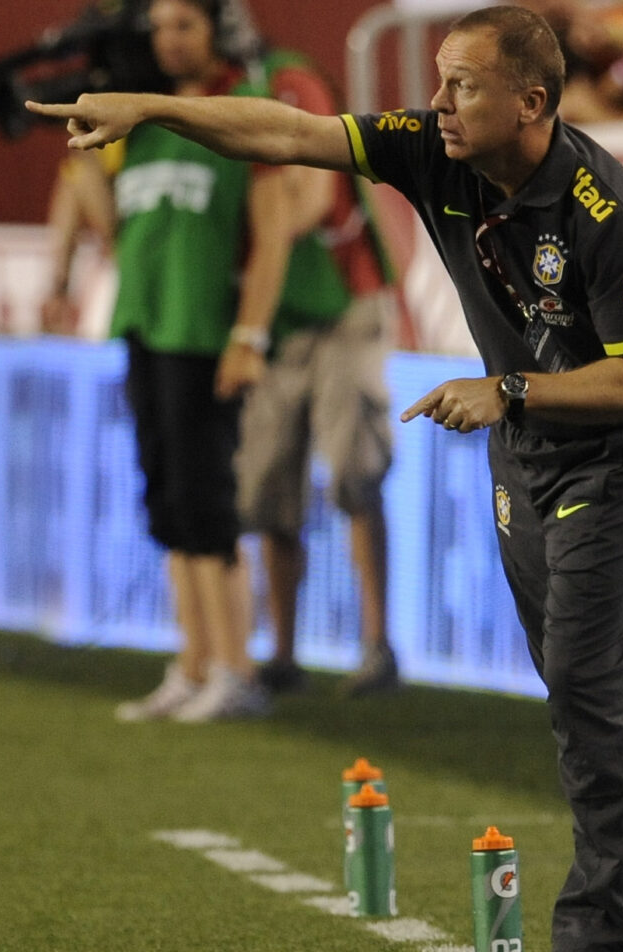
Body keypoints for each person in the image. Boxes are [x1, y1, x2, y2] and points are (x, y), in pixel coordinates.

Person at [29, 5, 623, 948]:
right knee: (579, 675)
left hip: (616, 456)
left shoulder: (608, 212)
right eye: (438, 77)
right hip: (524, 446)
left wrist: (508, 388)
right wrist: (153, 107)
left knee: (583, 677)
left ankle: (601, 928)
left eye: (461, 84)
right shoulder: (434, 150)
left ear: (532, 102)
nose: (435, 100)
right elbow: (289, 130)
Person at [44, 0, 307, 723]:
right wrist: (79, 148)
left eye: (184, 25)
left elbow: (274, 232)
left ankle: (238, 667)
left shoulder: (242, 112)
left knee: (208, 501)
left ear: (216, 31)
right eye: (160, 28)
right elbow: (111, 223)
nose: (170, 41)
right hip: (144, 319)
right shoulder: (140, 124)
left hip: (205, 330)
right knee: (167, 500)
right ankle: (193, 662)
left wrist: (249, 334)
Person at [233, 47, 400, 699]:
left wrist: (244, 234)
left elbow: (311, 193)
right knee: (270, 483)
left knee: (355, 473)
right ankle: (282, 652)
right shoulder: (206, 92)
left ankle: (378, 645)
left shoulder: (287, 80)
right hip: (274, 316)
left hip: (340, 300)